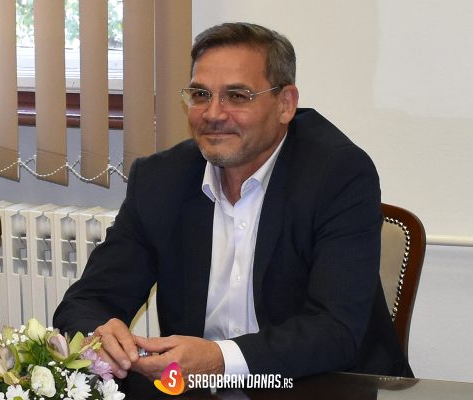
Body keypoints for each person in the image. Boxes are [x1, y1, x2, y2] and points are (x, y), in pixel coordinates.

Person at [53, 22, 412, 392]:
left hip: (320, 387)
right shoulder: (161, 179)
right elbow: (87, 301)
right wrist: (101, 333)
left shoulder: (337, 174)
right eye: (200, 94)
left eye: (237, 96)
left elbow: (335, 331)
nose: (213, 113)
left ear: (285, 104)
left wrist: (220, 359)